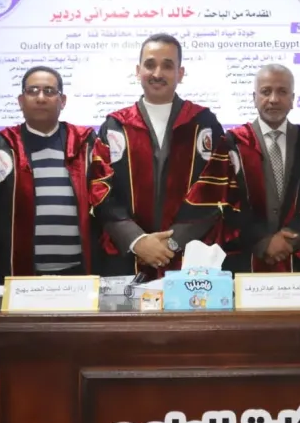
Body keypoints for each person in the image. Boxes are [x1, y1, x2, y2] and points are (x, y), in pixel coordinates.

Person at [88, 33, 226, 279]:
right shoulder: (116, 125)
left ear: (180, 73)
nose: (157, 73)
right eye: (150, 65)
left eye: (168, 66)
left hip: (190, 259)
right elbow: (100, 190)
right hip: (126, 257)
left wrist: (171, 243)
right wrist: (137, 240)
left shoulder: (203, 123)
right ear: (138, 70)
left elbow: (215, 190)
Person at [0, 66, 98, 281]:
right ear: (21, 100)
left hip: (78, 274)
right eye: (33, 91)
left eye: (49, 91)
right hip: (18, 274)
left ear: (62, 101)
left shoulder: (85, 143)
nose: (41, 98)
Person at [221, 64, 300, 273]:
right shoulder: (231, 144)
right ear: (254, 97)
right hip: (245, 261)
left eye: (282, 92)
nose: (273, 99)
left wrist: (289, 239)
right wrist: (263, 240)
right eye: (266, 91)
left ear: (292, 99)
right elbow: (226, 200)